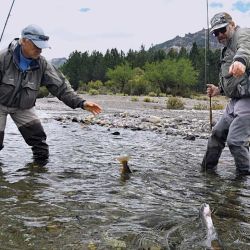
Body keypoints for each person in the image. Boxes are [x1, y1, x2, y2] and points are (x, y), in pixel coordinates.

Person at [0, 24, 102, 163]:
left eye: (42, 46)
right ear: (23, 41)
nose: (40, 49)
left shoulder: (42, 64)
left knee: (40, 146)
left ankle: (37, 180)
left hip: (24, 107)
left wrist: (81, 103)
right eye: (36, 45)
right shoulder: (3, 58)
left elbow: (61, 86)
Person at [201, 12, 250, 176]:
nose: (219, 35)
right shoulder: (226, 48)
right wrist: (218, 89)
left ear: (232, 25)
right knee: (216, 134)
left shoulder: (242, 34)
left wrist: (241, 61)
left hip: (248, 100)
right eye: (215, 32)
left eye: (222, 29)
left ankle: (244, 180)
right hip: (234, 101)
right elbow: (231, 79)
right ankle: (207, 172)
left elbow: (245, 48)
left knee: (235, 141)